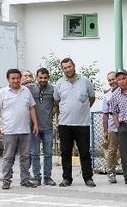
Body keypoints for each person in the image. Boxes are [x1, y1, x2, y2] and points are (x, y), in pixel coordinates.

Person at [0, 69, 39, 190]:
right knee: (8, 157)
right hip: (9, 131)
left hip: (25, 130)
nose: (16, 80)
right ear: (8, 79)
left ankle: (25, 180)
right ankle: (6, 180)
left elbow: (32, 108)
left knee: (25, 157)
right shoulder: (2, 93)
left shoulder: (26, 91)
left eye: (18, 78)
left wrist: (35, 124)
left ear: (20, 78)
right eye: (13, 78)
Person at [53, 58, 96, 188]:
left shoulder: (85, 81)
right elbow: (56, 101)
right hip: (65, 124)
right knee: (65, 152)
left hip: (82, 124)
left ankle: (88, 178)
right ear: (63, 70)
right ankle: (67, 179)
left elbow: (92, 97)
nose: (68, 69)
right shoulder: (59, 83)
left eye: (69, 66)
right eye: (65, 68)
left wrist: (83, 109)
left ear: (74, 66)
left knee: (84, 152)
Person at [26, 68, 56, 185]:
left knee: (48, 154)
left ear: (48, 77)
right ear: (36, 77)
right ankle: (37, 178)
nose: (42, 80)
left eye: (45, 78)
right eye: (40, 78)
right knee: (35, 154)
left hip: (48, 127)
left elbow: (57, 103)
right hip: (34, 128)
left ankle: (47, 178)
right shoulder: (29, 89)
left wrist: (53, 113)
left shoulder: (53, 89)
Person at [101, 71, 120, 184]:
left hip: (126, 127)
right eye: (109, 80)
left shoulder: (126, 92)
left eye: (113, 79)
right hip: (113, 128)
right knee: (112, 151)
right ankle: (111, 174)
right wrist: (105, 130)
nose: (112, 82)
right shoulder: (107, 96)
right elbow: (105, 115)